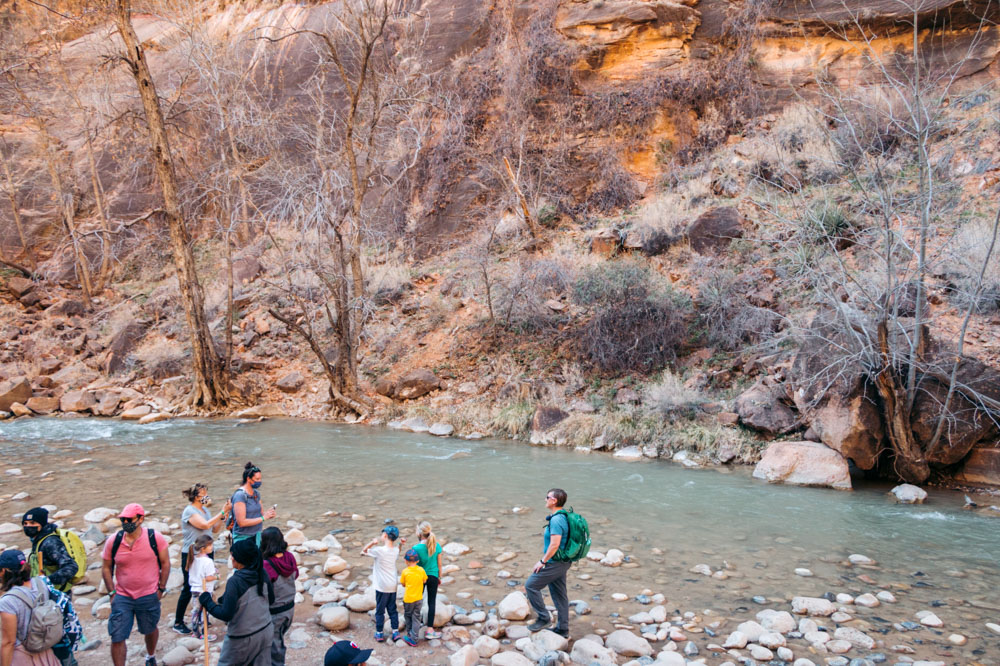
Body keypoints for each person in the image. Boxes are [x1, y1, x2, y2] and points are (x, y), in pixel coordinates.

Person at [101, 503, 170, 666]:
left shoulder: (155, 538)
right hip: (122, 597)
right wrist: (111, 593)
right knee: (117, 636)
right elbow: (106, 567)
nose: (125, 522)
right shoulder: (114, 541)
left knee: (150, 628)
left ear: (140, 519)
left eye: (129, 519)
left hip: (149, 594)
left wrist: (161, 589)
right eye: (123, 519)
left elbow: (165, 563)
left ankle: (151, 655)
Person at [199, 539, 274, 666]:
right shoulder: (262, 573)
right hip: (265, 630)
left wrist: (207, 601)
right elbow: (271, 600)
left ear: (241, 560)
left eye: (233, 555)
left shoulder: (236, 581)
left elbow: (226, 614)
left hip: (242, 638)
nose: (231, 558)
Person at [0, 549, 81, 666]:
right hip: (46, 651)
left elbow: (9, 642)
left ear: (4, 571)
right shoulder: (41, 583)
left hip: (22, 657)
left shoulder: (8, 601)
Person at [174, 484, 231, 635]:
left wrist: (223, 515)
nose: (206, 495)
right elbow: (204, 524)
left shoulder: (205, 510)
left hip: (207, 552)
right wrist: (221, 512)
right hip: (192, 554)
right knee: (189, 586)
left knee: (207, 584)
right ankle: (178, 621)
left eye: (207, 492)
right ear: (195, 496)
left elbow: (214, 529)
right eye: (203, 493)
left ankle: (202, 618)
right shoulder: (190, 511)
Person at [524, 488, 571, 638]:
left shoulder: (557, 519)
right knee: (559, 594)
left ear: (554, 500)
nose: (545, 499)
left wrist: (542, 561)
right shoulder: (564, 516)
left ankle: (544, 618)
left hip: (554, 562)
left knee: (531, 586)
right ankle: (563, 629)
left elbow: (555, 544)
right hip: (563, 561)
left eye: (547, 497)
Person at [260, 527, 298, 666]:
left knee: (275, 646)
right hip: (290, 608)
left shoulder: (266, 564)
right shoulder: (290, 557)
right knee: (278, 640)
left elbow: (262, 587)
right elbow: (296, 575)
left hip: (275, 611)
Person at [360, 526, 403, 643]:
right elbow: (399, 549)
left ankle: (379, 633)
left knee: (380, 610)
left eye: (382, 533)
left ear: (384, 536)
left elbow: (363, 551)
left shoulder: (379, 550)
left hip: (382, 587)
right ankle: (395, 632)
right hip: (392, 585)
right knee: (392, 610)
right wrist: (401, 544)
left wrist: (372, 543)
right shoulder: (395, 551)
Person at [21, 508, 78, 594]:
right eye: (25, 523)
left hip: (58, 594)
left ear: (42, 524)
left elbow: (71, 566)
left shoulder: (50, 542)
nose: (28, 526)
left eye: (32, 523)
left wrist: (47, 581)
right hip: (46, 593)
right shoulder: (38, 540)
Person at [232, 462, 276, 545]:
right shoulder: (240, 495)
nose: (260, 481)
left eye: (260, 479)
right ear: (248, 479)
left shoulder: (256, 493)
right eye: (257, 479)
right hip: (243, 538)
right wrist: (263, 518)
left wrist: (269, 514)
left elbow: (261, 514)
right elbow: (241, 522)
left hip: (257, 536)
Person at [412, 521, 441, 639]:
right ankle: (430, 629)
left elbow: (414, 566)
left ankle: (414, 627)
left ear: (419, 533)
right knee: (431, 602)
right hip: (433, 576)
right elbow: (439, 564)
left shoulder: (416, 548)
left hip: (420, 577)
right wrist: (439, 577)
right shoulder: (436, 545)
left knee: (418, 602)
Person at [186, 535, 218, 641]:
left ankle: (195, 632)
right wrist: (216, 576)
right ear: (203, 548)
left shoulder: (193, 559)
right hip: (204, 590)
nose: (212, 547)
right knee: (204, 613)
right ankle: (204, 634)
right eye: (210, 545)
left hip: (194, 589)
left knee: (196, 612)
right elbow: (208, 577)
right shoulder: (208, 561)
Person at [398, 549, 426, 647]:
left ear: (406, 561)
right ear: (418, 561)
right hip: (419, 598)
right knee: (416, 618)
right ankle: (415, 636)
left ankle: (410, 635)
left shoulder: (405, 571)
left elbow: (403, 584)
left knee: (408, 616)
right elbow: (424, 580)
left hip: (408, 599)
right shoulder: (421, 570)